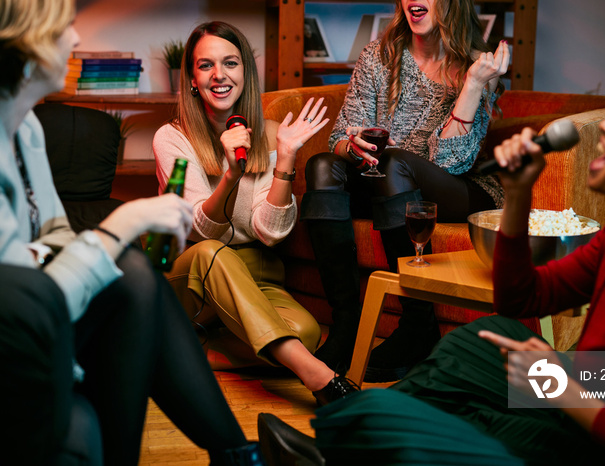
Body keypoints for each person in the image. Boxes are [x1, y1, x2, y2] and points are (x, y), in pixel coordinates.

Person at [258, 27, 605, 465]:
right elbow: (519, 298)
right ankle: (347, 441)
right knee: (489, 339)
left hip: (590, 439)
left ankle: (329, 457)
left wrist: (564, 390)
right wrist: (519, 194)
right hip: (587, 392)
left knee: (467, 422)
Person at [0, 1, 268, 465]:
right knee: (133, 269)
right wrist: (121, 225)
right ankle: (239, 454)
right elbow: (22, 300)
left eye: (230, 62)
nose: (77, 40)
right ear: (25, 38)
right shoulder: (174, 136)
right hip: (17, 326)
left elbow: (55, 231)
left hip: (41, 300)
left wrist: (280, 167)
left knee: (135, 274)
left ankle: (238, 455)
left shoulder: (27, 129)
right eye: (64, 28)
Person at [300, 0, 510, 381]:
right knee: (320, 166)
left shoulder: (480, 66)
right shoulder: (378, 57)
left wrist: (475, 84)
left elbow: (452, 163)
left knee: (395, 162)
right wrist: (354, 144)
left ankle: (418, 325)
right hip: (384, 181)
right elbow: (338, 137)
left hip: (459, 190)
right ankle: (346, 326)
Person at [152, 21, 357, 406]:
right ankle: (320, 378)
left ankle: (184, 351)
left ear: (245, 71)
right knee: (213, 255)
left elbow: (270, 232)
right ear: (192, 79)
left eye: (230, 63)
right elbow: (202, 231)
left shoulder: (270, 134)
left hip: (252, 278)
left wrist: (287, 160)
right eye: (206, 65)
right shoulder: (172, 137)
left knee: (306, 332)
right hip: (190, 275)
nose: (219, 75)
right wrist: (232, 174)